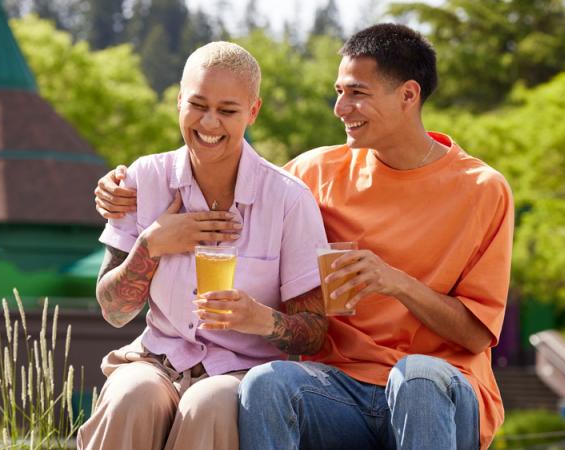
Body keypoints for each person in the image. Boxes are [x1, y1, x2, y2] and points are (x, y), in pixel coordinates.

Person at [93, 24, 514, 450]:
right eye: (338, 91)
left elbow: (477, 335)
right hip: (337, 387)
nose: (339, 107)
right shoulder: (314, 174)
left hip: (437, 386)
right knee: (266, 385)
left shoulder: (482, 189)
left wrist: (395, 282)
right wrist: (118, 193)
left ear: (408, 95)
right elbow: (242, 173)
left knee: (416, 377)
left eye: (356, 93)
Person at [78, 41, 330, 450]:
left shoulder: (288, 200)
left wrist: (259, 320)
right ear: (179, 102)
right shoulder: (144, 179)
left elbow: (315, 333)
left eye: (227, 110)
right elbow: (114, 312)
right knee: (131, 395)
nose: (209, 123)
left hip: (243, 373)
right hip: (155, 360)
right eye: (197, 105)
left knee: (208, 404)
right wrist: (151, 245)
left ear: (253, 111)